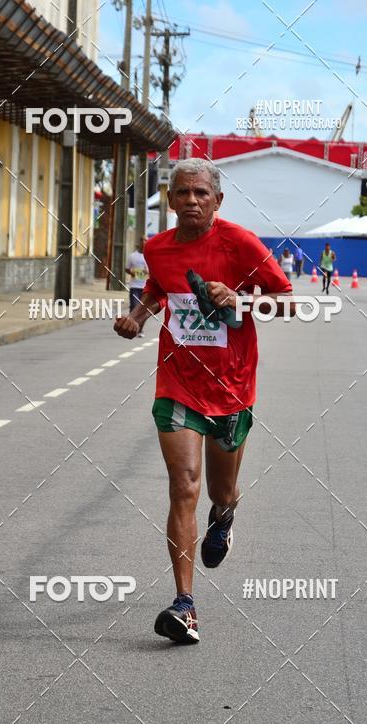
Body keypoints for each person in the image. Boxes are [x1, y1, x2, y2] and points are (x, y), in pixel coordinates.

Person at [113, 158, 295, 644]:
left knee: (221, 491)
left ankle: (225, 516)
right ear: (170, 200)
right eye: (182, 192)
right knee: (183, 486)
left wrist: (240, 299)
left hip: (232, 388)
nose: (191, 200)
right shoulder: (157, 248)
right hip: (178, 384)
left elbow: (287, 300)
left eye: (201, 193)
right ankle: (185, 605)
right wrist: (138, 317)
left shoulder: (241, 244)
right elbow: (159, 287)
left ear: (217, 200)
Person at [125, 236, 149, 337]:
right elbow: (127, 269)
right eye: (142, 240)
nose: (143, 242)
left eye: (145, 240)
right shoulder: (132, 256)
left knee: (143, 309)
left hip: (146, 287)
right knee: (134, 307)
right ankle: (131, 328)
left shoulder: (150, 256)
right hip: (134, 286)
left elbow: (154, 270)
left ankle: (140, 330)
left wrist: (148, 272)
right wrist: (132, 273)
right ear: (139, 242)